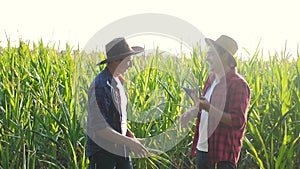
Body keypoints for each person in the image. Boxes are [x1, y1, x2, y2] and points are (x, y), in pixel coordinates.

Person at [180, 35, 251, 169]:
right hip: (203, 150)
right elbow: (204, 106)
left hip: (222, 155)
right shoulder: (211, 79)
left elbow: (237, 121)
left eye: (211, 54)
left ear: (224, 56)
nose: (207, 58)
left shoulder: (238, 84)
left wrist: (209, 108)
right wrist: (192, 112)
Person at [86, 37, 148, 169]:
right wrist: (131, 143)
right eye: (128, 61)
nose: (131, 66)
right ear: (115, 61)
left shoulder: (118, 83)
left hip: (121, 152)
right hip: (104, 155)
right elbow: (100, 128)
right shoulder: (101, 86)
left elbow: (116, 119)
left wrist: (130, 136)